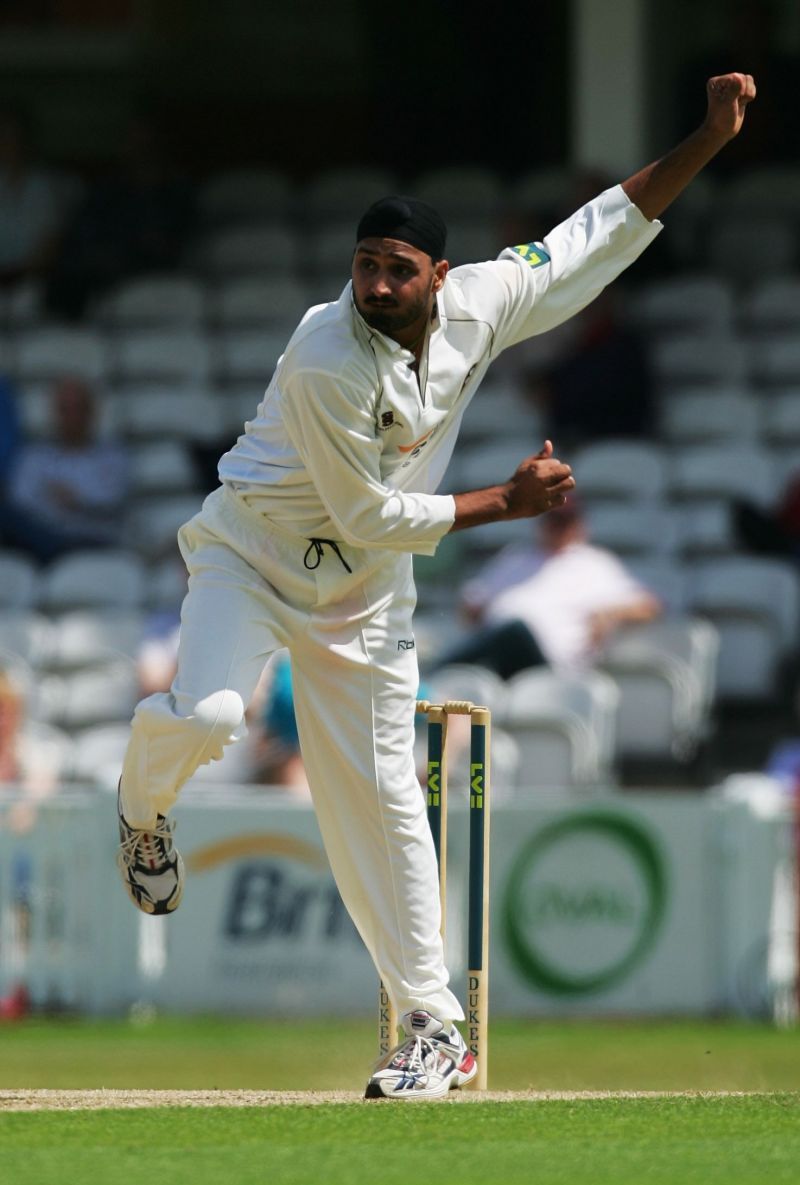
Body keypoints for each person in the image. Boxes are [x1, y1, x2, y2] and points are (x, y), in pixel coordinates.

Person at [114, 74, 756, 1100]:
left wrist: (708, 137)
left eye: (393, 270)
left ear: (439, 277)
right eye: (362, 265)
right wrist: (503, 502)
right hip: (255, 554)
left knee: (384, 804)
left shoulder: (483, 303)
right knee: (213, 714)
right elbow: (365, 512)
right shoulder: (326, 353)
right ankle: (142, 811)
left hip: (363, 595)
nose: (372, 284)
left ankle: (430, 1028)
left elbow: (598, 230)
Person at [436, 499, 662, 679]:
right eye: (553, 520)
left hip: (549, 661)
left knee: (514, 630)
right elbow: (473, 602)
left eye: (564, 521)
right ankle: (438, 678)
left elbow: (649, 605)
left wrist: (610, 614)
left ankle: (437, 673)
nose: (558, 528)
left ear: (579, 525)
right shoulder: (516, 557)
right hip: (499, 651)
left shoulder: (595, 563)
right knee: (501, 636)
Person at [0, 376, 130, 563]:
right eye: (64, 410)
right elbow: (21, 501)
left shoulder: (113, 456)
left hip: (93, 539)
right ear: (54, 413)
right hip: (42, 538)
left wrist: (76, 499)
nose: (71, 417)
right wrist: (67, 504)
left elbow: (112, 499)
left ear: (92, 412)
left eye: (77, 409)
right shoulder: (34, 456)